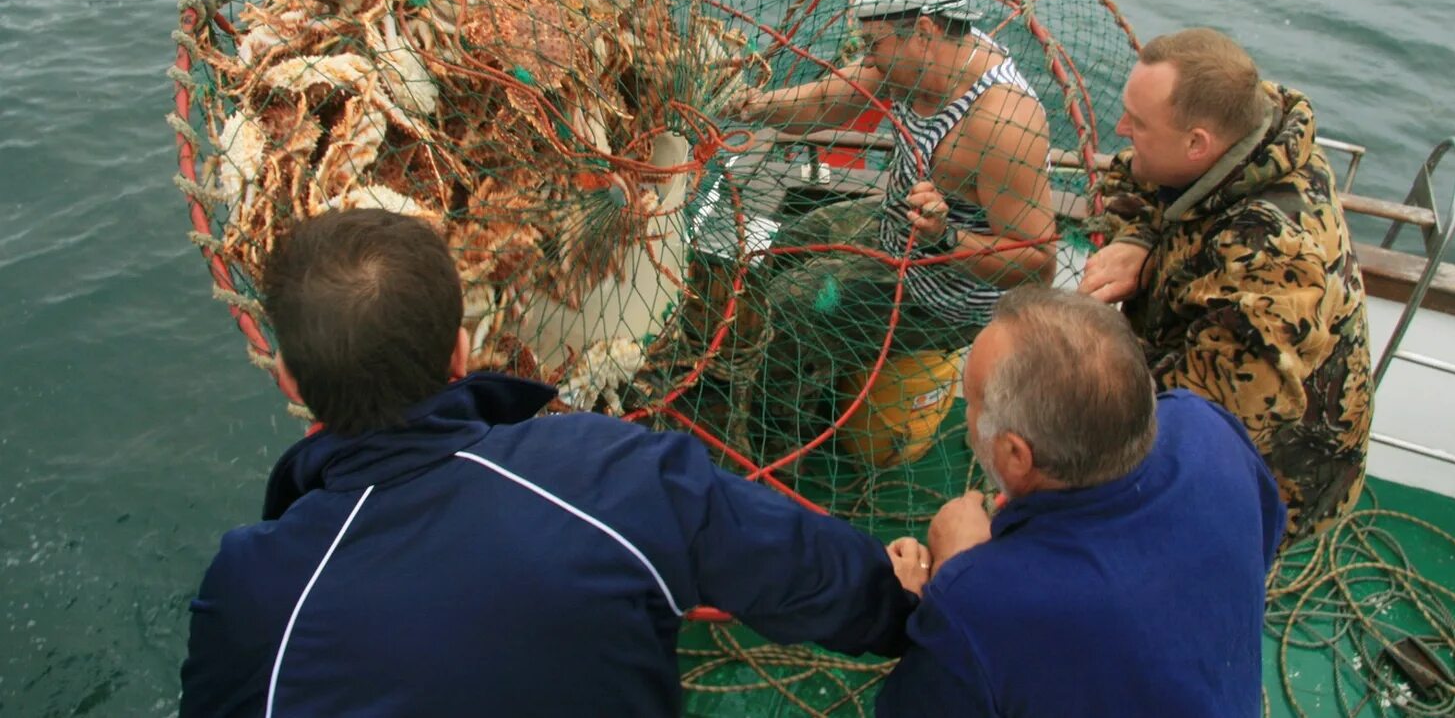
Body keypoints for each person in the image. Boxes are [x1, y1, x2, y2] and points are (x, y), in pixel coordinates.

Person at [179, 208, 925, 718]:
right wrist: (899, 603)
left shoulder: (249, 590)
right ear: (461, 353)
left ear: (290, 382)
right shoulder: (614, 473)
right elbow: (804, 571)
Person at [876, 287, 1286, 718]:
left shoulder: (977, 604)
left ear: (1017, 456)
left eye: (973, 402)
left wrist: (950, 577)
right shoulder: (1204, 422)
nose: (967, 414)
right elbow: (1265, 532)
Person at [1079, 27, 1373, 540]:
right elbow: (1133, 177)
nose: (1121, 128)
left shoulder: (1271, 251)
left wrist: (1078, 376)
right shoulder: (1247, 131)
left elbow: (1214, 418)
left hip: (1268, 476)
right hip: (1185, 368)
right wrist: (1141, 238)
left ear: (1198, 144)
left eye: (1138, 123)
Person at [731, 0, 1056, 386]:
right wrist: (751, 105)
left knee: (784, 309)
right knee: (780, 248)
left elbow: (1037, 264)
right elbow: (825, 102)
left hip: (943, 295)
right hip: (896, 226)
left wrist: (946, 235)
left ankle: (775, 438)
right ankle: (820, 364)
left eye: (872, 44)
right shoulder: (926, 61)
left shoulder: (1003, 122)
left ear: (924, 32)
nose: (868, 59)